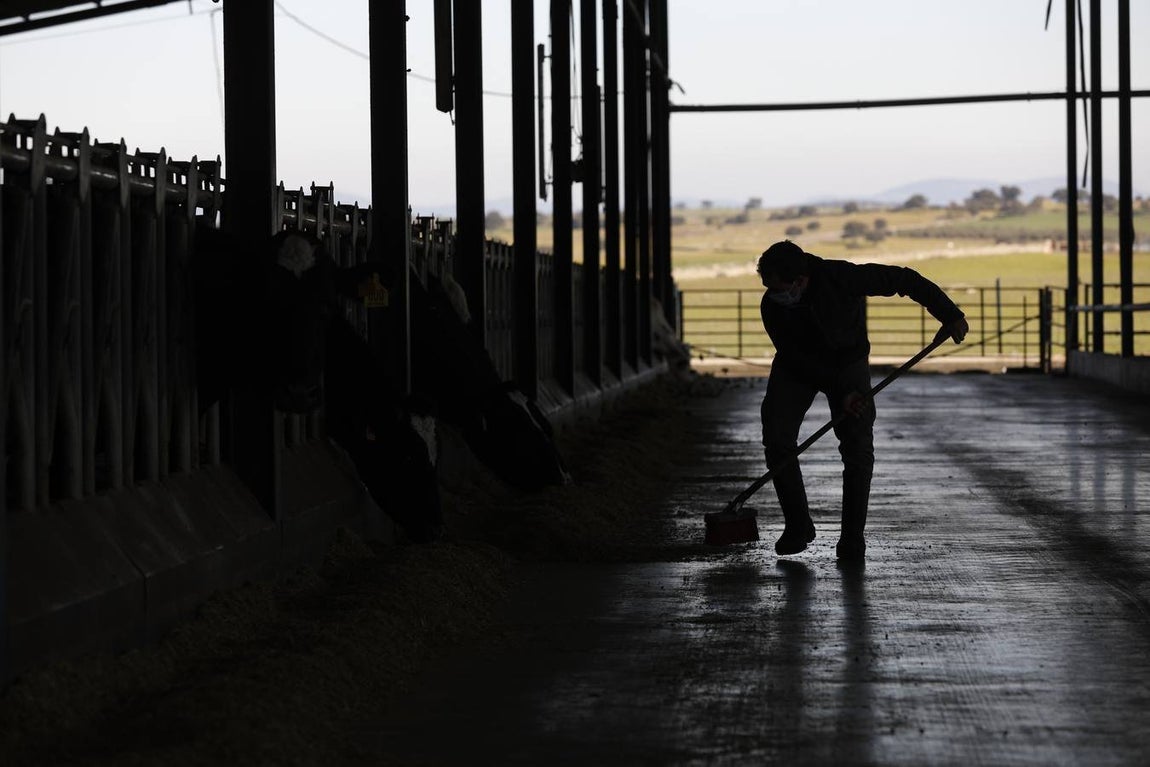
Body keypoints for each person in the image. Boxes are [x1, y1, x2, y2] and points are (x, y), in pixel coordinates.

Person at [756, 240, 969, 561]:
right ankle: (798, 526)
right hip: (797, 365)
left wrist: (949, 313)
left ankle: (852, 539)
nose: (774, 295)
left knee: (857, 447)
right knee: (776, 435)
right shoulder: (772, 305)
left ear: (800, 280)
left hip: (848, 362)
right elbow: (792, 355)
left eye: (779, 288)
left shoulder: (841, 277)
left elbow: (903, 280)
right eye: (768, 288)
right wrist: (841, 394)